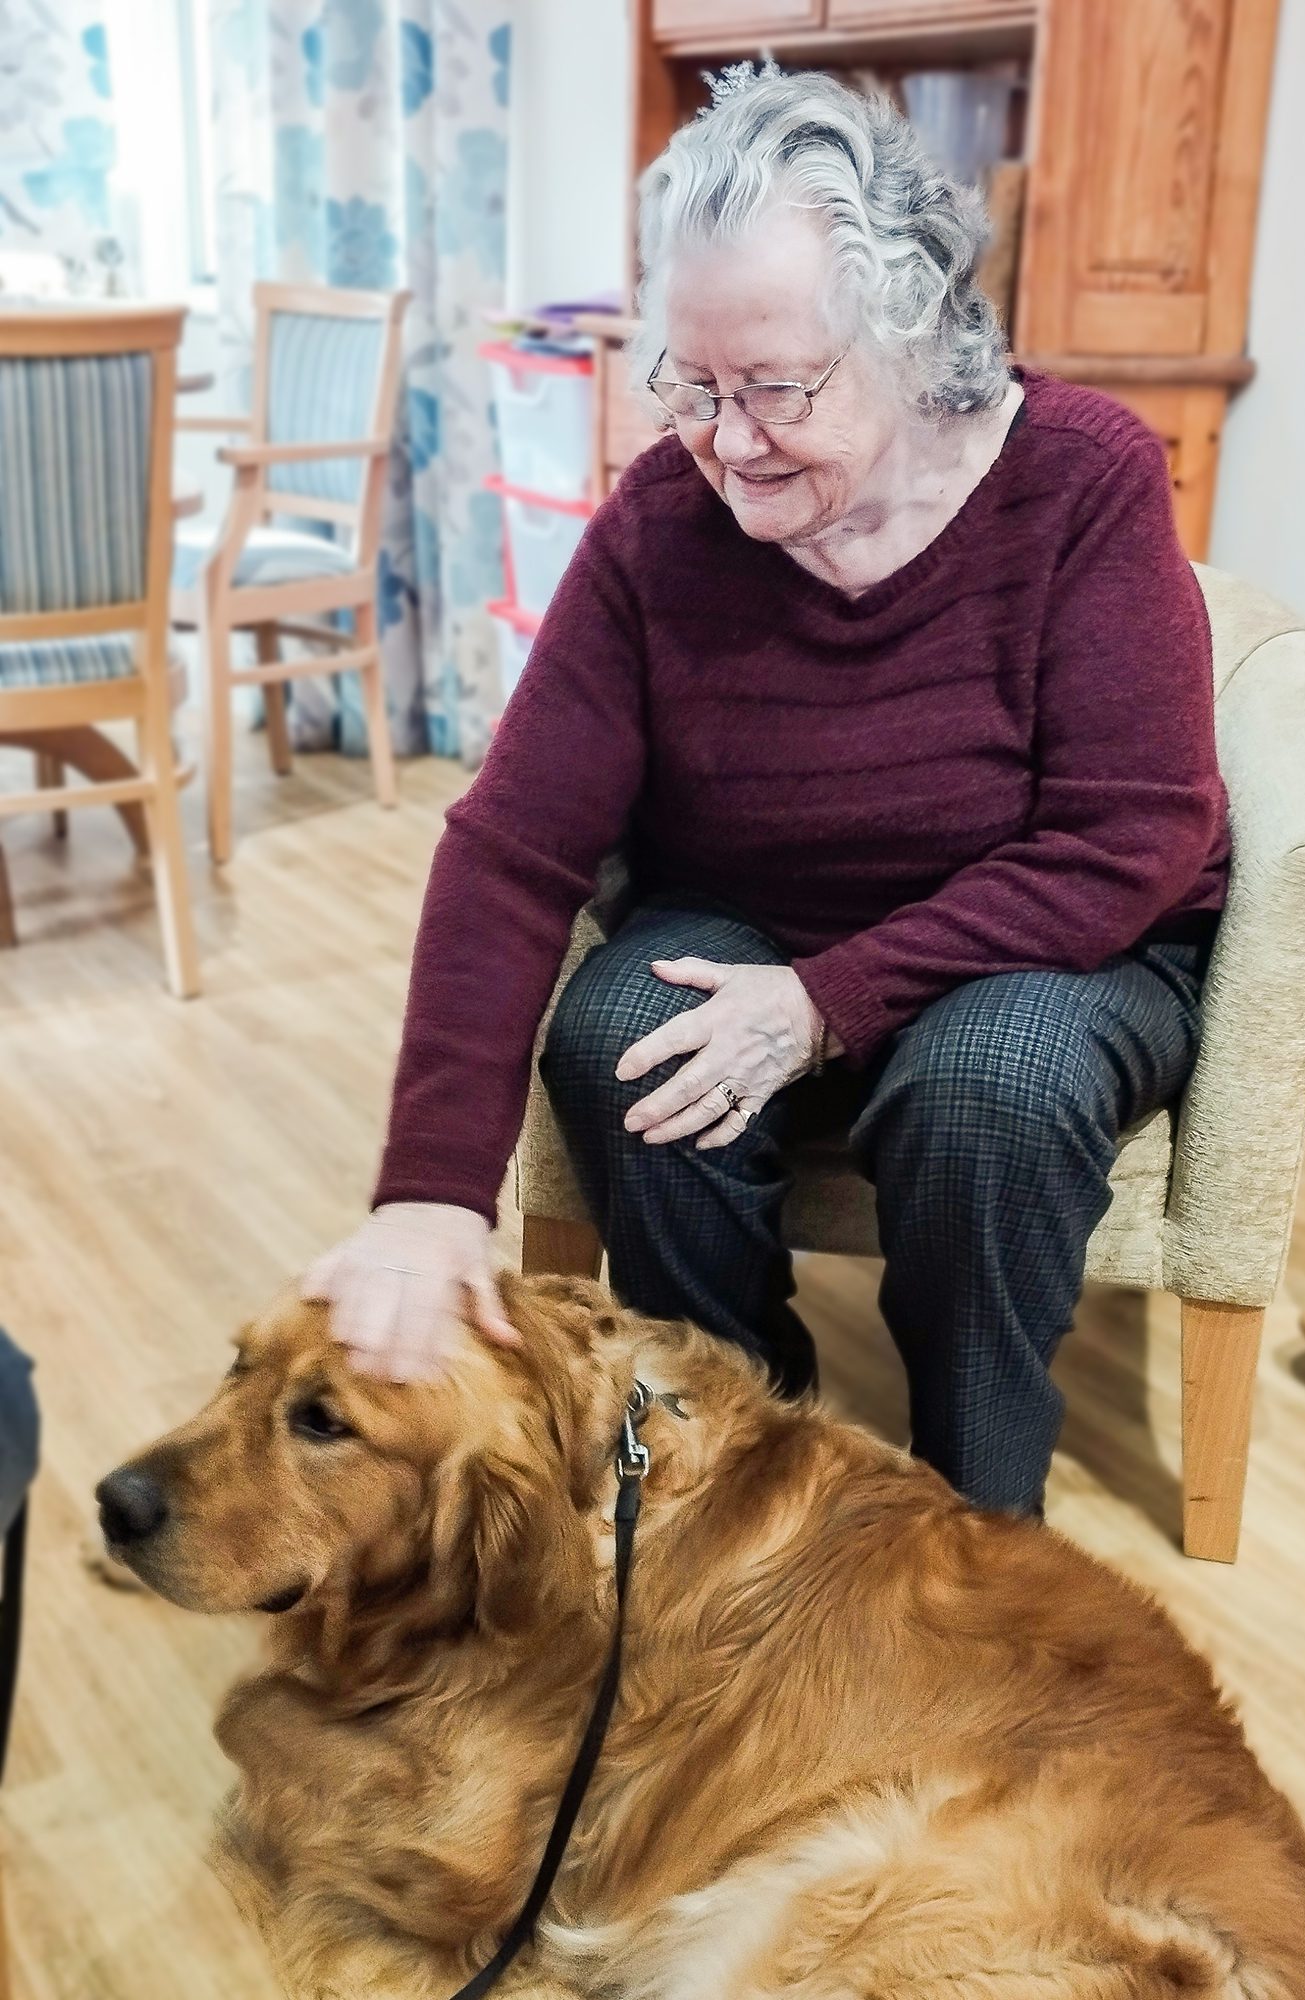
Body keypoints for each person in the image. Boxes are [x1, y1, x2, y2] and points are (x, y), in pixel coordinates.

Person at [304, 63, 1227, 1516]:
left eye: (776, 388)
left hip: (1061, 944)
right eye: (692, 385)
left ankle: (978, 1527)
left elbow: (1133, 834)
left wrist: (825, 1000)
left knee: (990, 1082)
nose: (726, 443)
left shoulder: (1081, 475)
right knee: (629, 1039)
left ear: (910, 333)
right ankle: (736, 1487)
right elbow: (511, 846)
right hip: (754, 920)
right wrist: (427, 1194)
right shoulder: (666, 519)